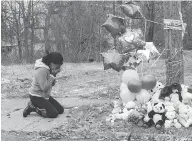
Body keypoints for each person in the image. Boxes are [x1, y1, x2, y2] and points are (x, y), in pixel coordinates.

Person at [23, 52, 64, 118]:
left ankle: (37, 106)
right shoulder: (42, 70)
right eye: (57, 66)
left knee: (60, 110)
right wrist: (52, 76)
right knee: (53, 113)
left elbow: (51, 84)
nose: (58, 68)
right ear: (52, 63)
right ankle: (32, 107)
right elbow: (44, 88)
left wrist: (54, 75)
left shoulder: (49, 67)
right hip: (36, 96)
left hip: (44, 95)